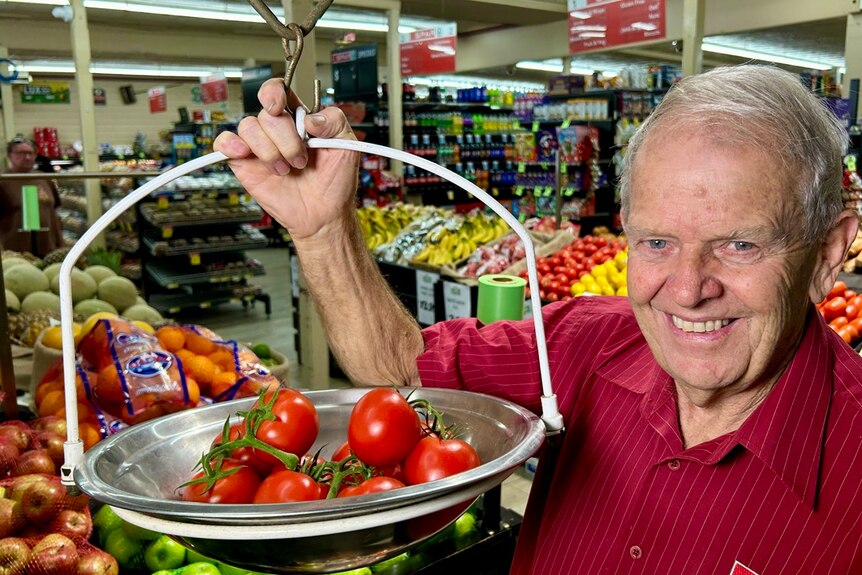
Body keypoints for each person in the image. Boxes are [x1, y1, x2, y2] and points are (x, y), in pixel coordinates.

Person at [214, 65, 862, 574]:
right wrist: (326, 229)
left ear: (828, 253)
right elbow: (396, 366)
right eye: (658, 242)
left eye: (739, 244)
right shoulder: (583, 340)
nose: (688, 289)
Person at [0, 136, 63, 257]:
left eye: (30, 153)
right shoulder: (4, 181)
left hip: (47, 247)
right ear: (10, 155)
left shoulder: (44, 179)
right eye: (21, 153)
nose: (27, 157)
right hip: (15, 251)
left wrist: (60, 242)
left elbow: (53, 212)